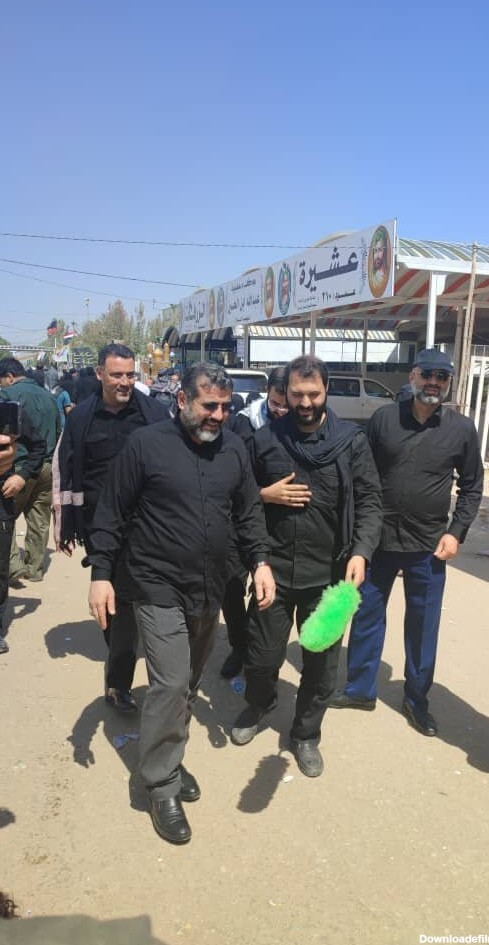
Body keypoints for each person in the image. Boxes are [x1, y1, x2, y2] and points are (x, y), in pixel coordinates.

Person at [87, 362, 275, 844]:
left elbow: (248, 511)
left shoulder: (233, 448)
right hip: (156, 583)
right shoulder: (145, 445)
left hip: (209, 586)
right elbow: (111, 512)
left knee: (187, 683)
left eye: (225, 407)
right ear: (182, 401)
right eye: (209, 406)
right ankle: (160, 783)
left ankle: (170, 754)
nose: (218, 416)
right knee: (170, 683)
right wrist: (101, 575)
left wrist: (260, 561)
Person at [231, 355, 382, 778]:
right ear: (285, 392)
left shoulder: (351, 442)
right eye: (297, 394)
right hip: (274, 572)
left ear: (326, 390)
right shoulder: (266, 440)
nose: (305, 402)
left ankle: (306, 734)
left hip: (328, 576)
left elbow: (371, 501)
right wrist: (264, 495)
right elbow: (238, 496)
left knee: (321, 665)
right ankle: (260, 703)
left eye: (313, 394)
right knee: (261, 658)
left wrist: (361, 551)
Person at [330, 348, 484, 737]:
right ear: (413, 376)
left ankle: (416, 699)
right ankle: (360, 689)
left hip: (429, 545)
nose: (433, 382)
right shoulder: (384, 419)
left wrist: (456, 532)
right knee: (366, 615)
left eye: (441, 377)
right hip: (379, 539)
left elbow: (472, 486)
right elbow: (362, 475)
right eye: (427, 374)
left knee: (422, 625)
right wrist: (357, 536)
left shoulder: (461, 429)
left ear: (449, 383)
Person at [53, 343, 169, 712]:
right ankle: (119, 684)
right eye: (116, 374)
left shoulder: (155, 414)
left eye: (130, 375)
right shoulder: (80, 419)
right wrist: (66, 525)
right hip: (101, 528)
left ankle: (165, 686)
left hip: (149, 526)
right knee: (115, 606)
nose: (124, 382)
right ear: (100, 374)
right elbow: (66, 470)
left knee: (153, 600)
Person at [220, 366, 288, 678]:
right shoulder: (243, 424)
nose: (281, 411)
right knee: (232, 589)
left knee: (266, 588)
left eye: (286, 405)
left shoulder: (298, 426)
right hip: (239, 520)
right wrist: (264, 494)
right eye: (276, 403)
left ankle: (253, 644)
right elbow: (229, 476)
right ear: (267, 395)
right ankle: (238, 645)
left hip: (277, 526)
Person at [0, 358, 61, 583]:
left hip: (19, 467)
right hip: (47, 465)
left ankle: (13, 568)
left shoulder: (7, 396)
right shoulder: (50, 397)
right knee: (39, 519)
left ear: (9, 377)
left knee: (6, 518)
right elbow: (59, 429)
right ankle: (34, 568)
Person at [0, 424, 46, 654]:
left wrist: (21, 476)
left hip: (1, 503)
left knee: (0, 568)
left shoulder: (6, 412)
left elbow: (38, 445)